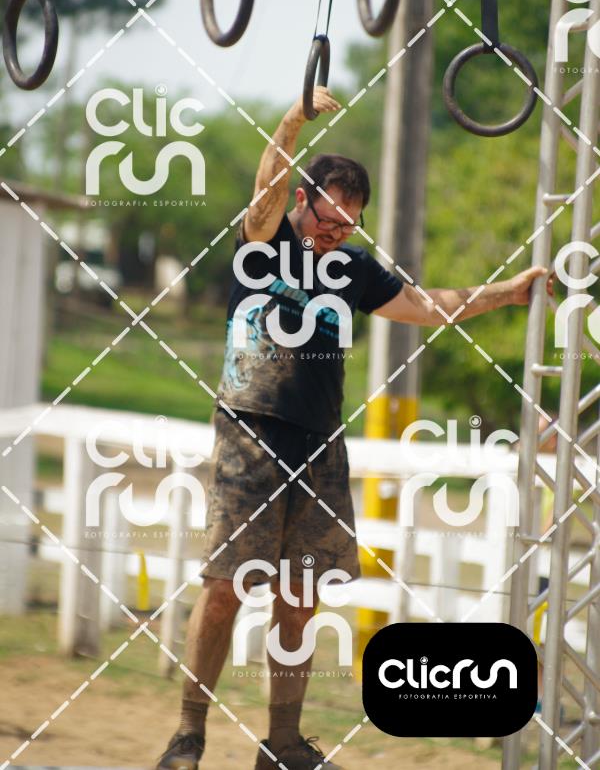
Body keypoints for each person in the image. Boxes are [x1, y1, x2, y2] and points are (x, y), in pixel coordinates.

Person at [155, 87, 554, 770]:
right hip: (252, 432)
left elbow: (429, 306)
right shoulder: (265, 241)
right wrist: (293, 119)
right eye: (330, 216)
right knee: (226, 588)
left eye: (351, 222)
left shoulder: (355, 272)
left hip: (319, 445)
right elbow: (266, 186)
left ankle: (282, 745)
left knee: (300, 598)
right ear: (303, 199)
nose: (338, 231)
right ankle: (188, 736)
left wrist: (506, 294)